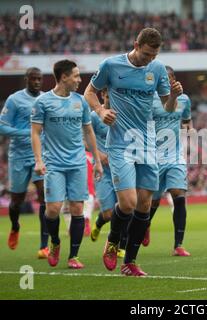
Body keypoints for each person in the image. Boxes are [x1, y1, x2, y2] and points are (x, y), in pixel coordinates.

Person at [84, 27, 183, 276]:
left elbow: (168, 108)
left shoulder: (158, 69)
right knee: (127, 203)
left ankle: (130, 262)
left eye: (154, 55)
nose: (150, 59)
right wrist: (101, 111)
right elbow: (88, 93)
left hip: (148, 143)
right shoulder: (111, 65)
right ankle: (113, 240)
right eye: (147, 54)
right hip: (120, 143)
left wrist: (172, 96)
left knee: (145, 205)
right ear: (136, 44)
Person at [31, 59, 103, 269]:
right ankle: (54, 243)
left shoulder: (80, 102)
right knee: (52, 209)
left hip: (78, 163)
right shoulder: (43, 102)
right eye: (76, 76)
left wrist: (97, 160)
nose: (80, 80)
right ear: (64, 77)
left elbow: (89, 132)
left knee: (77, 208)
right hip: (54, 164)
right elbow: (35, 132)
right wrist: (38, 160)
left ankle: (73, 255)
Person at [142, 66, 192, 257]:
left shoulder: (184, 99)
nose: (168, 82)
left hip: (175, 156)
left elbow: (187, 120)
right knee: (151, 203)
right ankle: (145, 225)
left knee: (178, 195)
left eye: (170, 78)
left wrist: (189, 130)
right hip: (153, 156)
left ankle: (178, 244)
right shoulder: (149, 99)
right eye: (164, 79)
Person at [0, 68, 49, 258]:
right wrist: (27, 134)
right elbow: (2, 126)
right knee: (16, 202)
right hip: (18, 156)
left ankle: (44, 245)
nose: (37, 82)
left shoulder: (46, 99)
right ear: (27, 79)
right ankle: (15, 226)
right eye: (33, 79)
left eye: (40, 79)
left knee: (44, 195)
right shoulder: (14, 100)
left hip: (41, 155)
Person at [90, 89, 127, 258]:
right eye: (108, 95)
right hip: (102, 170)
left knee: (126, 207)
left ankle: (118, 245)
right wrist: (98, 153)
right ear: (103, 94)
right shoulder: (94, 116)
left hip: (120, 167)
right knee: (108, 214)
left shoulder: (123, 115)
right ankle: (98, 223)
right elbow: (84, 138)